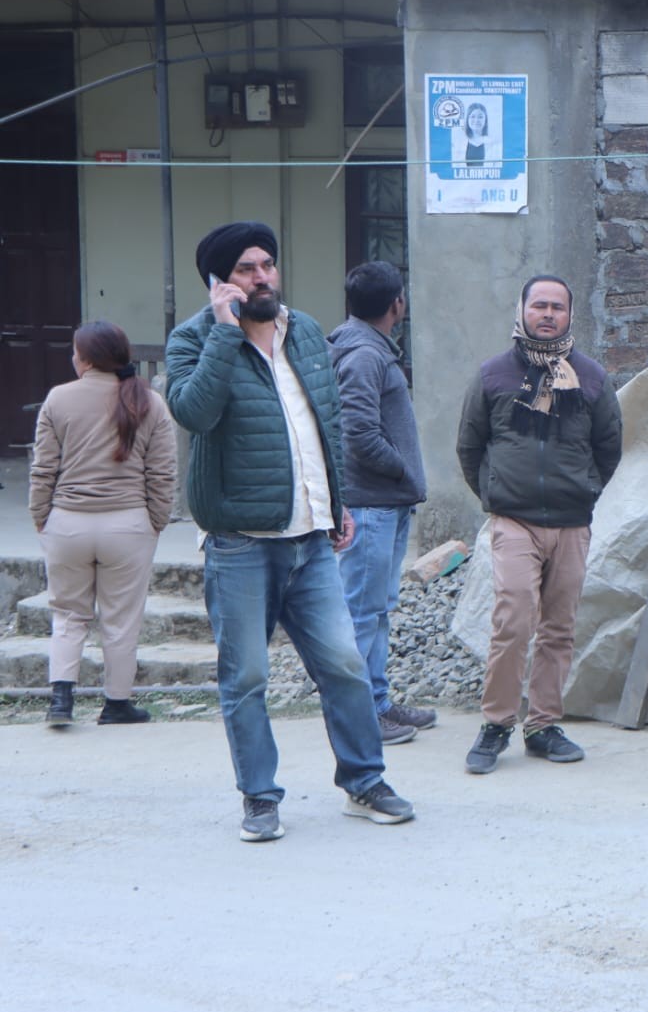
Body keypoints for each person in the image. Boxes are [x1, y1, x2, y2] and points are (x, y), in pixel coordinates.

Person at [165, 221, 415, 842]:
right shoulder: (193, 339)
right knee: (247, 678)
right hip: (240, 543)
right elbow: (194, 413)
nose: (262, 277)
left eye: (267, 265)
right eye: (246, 269)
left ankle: (364, 781)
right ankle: (259, 797)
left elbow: (324, 422)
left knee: (346, 666)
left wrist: (337, 501)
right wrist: (225, 332)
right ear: (219, 282)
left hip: (311, 538)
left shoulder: (302, 330)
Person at [456, 274, 622, 774]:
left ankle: (543, 725)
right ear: (522, 310)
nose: (548, 314)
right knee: (513, 619)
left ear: (570, 315)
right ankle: (496, 723)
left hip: (571, 521)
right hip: (514, 519)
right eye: (539, 306)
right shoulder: (493, 375)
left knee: (559, 627)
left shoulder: (591, 378)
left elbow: (609, 446)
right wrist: (495, 493)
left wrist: (585, 490)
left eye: (557, 307)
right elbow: (470, 446)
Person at [29, 321, 177, 728]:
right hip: (129, 527)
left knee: (68, 614)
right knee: (121, 620)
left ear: (87, 360)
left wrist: (41, 515)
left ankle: (61, 701)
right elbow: (162, 473)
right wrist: (156, 521)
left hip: (68, 523)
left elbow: (44, 468)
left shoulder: (58, 398)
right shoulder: (150, 402)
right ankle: (116, 704)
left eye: (75, 352)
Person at [328, 261, 436, 744]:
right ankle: (362, 717)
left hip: (384, 503)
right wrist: (401, 468)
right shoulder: (364, 356)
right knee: (361, 613)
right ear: (397, 304)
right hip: (370, 505)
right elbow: (359, 434)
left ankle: (378, 702)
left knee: (376, 610)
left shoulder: (368, 349)